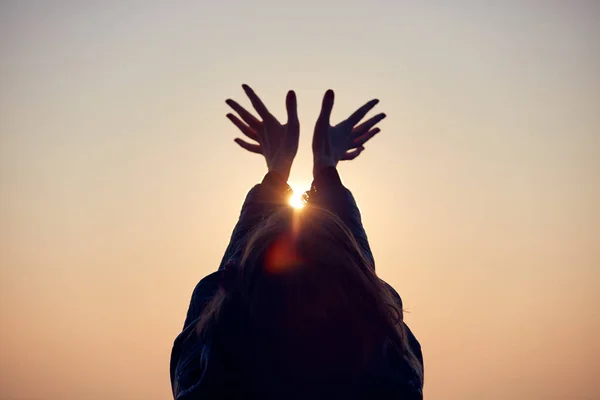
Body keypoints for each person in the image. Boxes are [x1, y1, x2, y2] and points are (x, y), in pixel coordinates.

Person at [169, 85, 424, 399]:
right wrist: (327, 168)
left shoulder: (212, 386)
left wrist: (276, 173)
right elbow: (375, 308)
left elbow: (208, 312)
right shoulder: (392, 387)